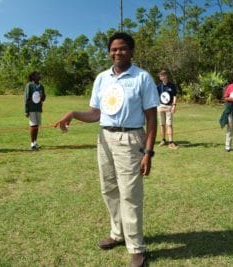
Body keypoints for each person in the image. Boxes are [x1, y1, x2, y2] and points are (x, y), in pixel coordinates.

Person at [55, 32, 158, 267]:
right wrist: (73, 114)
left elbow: (151, 118)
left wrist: (148, 152)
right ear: (109, 52)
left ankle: (137, 248)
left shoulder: (142, 77)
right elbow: (96, 113)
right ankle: (117, 234)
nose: (117, 52)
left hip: (131, 139)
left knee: (130, 194)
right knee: (109, 189)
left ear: (131, 51)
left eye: (122, 48)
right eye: (113, 49)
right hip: (104, 138)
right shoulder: (102, 78)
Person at [24, 71, 46, 150]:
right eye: (37, 74)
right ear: (33, 77)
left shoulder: (41, 86)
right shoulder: (29, 85)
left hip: (38, 108)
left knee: (37, 126)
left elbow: (43, 98)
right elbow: (26, 98)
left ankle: (35, 142)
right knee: (33, 125)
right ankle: (32, 143)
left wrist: (42, 96)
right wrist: (26, 110)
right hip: (32, 108)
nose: (39, 75)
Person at [157, 70, 178, 149]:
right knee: (162, 125)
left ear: (166, 76)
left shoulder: (172, 85)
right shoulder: (158, 87)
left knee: (169, 124)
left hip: (169, 107)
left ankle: (171, 142)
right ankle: (163, 140)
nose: (163, 77)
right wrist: (158, 106)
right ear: (160, 78)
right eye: (161, 76)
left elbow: (175, 96)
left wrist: (174, 106)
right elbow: (156, 97)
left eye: (164, 75)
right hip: (160, 107)